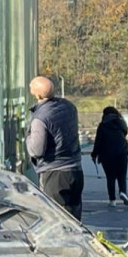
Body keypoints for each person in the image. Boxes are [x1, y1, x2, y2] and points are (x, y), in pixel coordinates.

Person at [26, 76, 84, 220]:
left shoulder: (40, 118)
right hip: (75, 170)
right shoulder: (69, 107)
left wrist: (27, 138)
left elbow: (37, 150)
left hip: (54, 173)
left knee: (56, 218)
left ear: (38, 95)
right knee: (74, 219)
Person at [91, 106, 128, 207]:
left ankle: (112, 200)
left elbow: (98, 142)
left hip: (107, 155)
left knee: (110, 177)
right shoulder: (121, 123)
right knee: (122, 175)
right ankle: (123, 192)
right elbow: (125, 133)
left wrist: (94, 154)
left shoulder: (102, 125)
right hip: (122, 152)